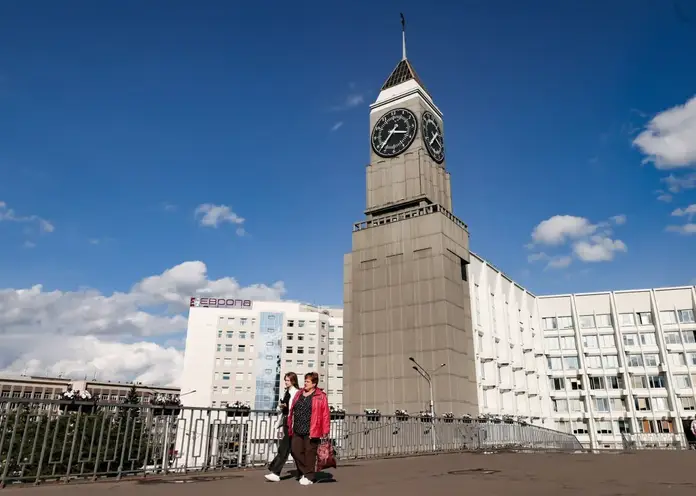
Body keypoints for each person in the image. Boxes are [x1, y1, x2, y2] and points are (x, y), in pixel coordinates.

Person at [287, 371, 330, 486]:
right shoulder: (299, 393)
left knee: (309, 454)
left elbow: (325, 414)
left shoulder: (321, 396)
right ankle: (304, 472)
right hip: (297, 428)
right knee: (295, 451)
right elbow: (292, 408)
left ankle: (309, 476)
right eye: (305, 381)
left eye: (308, 381)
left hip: (312, 429)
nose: (305, 383)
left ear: (314, 383)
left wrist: (325, 431)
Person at [265, 372, 300, 482]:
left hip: (292, 422)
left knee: (284, 447)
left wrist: (287, 406)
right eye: (285, 380)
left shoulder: (296, 393)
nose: (285, 382)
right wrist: (281, 406)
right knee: (293, 450)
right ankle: (304, 472)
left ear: (293, 381)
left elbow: (296, 408)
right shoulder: (286, 392)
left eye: (288, 380)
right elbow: (279, 407)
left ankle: (275, 472)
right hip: (285, 421)